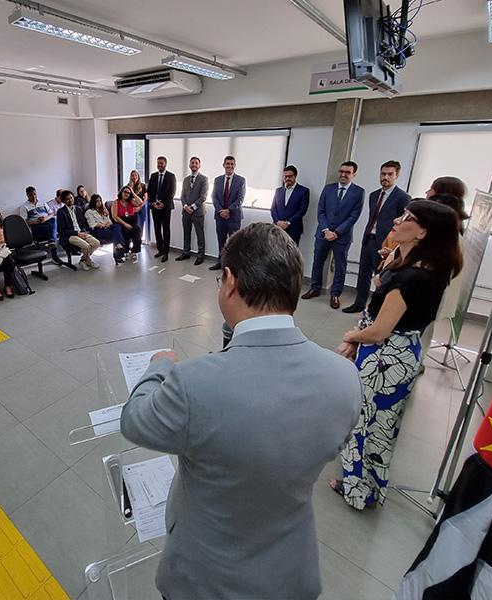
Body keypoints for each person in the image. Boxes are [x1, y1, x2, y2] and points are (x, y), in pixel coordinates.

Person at [121, 222, 361, 600]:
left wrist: (160, 366)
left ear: (229, 281)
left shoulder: (193, 383)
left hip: (206, 579)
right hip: (290, 575)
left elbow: (135, 421)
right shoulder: (345, 378)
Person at [330, 200, 462, 511]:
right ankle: (369, 488)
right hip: (393, 353)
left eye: (408, 218)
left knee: (368, 424)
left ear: (423, 232)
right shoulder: (408, 262)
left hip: (387, 358)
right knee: (378, 424)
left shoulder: (414, 277)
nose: (397, 220)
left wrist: (351, 337)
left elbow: (380, 330)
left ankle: (357, 491)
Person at [343, 160, 411, 314]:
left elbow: (402, 224)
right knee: (363, 273)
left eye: (389, 174)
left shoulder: (403, 197)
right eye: (383, 173)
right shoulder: (374, 195)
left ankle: (378, 309)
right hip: (369, 239)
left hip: (386, 244)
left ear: (397, 175)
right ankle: (359, 304)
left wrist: (393, 246)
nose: (385, 177)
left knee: (382, 277)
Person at [301, 161, 365, 309]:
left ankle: (335, 294)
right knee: (317, 261)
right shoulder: (328, 188)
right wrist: (326, 230)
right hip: (323, 234)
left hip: (342, 237)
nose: (343, 174)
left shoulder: (358, 192)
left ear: (354, 174)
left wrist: (336, 232)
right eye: (341, 171)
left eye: (347, 172)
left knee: (340, 266)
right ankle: (315, 288)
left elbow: (354, 216)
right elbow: (321, 210)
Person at [209, 156, 246, 271]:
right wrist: (221, 210)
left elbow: (240, 199)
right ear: (223, 165)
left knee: (234, 244)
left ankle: (232, 267)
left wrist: (228, 210)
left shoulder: (241, 180)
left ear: (234, 166)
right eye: (227, 164)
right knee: (221, 241)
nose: (229, 166)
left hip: (234, 217)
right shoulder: (217, 179)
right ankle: (220, 263)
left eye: (232, 164)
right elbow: (214, 197)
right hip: (220, 217)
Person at [56, 190, 100, 270]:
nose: (70, 200)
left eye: (71, 198)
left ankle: (83, 260)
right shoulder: (61, 212)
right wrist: (77, 233)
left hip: (81, 233)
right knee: (86, 246)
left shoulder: (78, 209)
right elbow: (61, 230)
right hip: (69, 235)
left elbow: (83, 224)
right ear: (64, 201)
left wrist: (83, 232)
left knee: (96, 243)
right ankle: (88, 260)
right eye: (67, 199)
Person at [176, 156, 209, 265]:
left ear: (199, 165)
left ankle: (200, 255)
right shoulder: (185, 179)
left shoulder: (204, 179)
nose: (194, 165)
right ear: (189, 165)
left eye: (196, 163)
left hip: (198, 212)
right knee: (186, 233)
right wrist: (185, 206)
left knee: (200, 234)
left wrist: (193, 207)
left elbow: (203, 197)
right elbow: (182, 196)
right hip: (186, 212)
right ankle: (186, 252)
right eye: (192, 163)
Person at [270, 164, 310, 247]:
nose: (287, 178)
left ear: (295, 176)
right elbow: (273, 209)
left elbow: (302, 210)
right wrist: (278, 222)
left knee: (291, 255)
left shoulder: (303, 191)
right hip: (277, 228)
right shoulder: (278, 191)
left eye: (290, 176)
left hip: (293, 229)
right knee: (275, 253)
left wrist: (288, 223)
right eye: (285, 177)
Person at [21, 186, 62, 264]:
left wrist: (45, 218)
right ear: (27, 195)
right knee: (52, 231)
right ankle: (55, 255)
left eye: (34, 194)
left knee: (53, 220)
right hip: (37, 228)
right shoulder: (24, 207)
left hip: (47, 223)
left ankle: (52, 242)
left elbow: (51, 214)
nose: (33, 196)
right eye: (31, 195)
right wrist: (36, 222)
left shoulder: (42, 203)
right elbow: (24, 222)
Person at [147, 156, 177, 262]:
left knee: (166, 230)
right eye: (158, 163)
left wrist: (163, 204)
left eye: (162, 163)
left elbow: (172, 192)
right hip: (155, 208)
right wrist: (153, 203)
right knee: (157, 229)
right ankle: (160, 250)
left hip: (166, 208)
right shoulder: (153, 176)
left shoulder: (171, 176)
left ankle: (166, 252)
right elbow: (149, 191)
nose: (160, 165)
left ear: (165, 164)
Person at [85, 194, 125, 264]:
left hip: (107, 227)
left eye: (100, 201)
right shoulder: (89, 212)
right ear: (93, 202)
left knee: (117, 226)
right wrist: (102, 225)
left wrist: (108, 223)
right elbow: (91, 224)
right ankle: (118, 253)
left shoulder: (103, 210)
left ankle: (118, 246)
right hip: (97, 230)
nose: (99, 202)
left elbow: (109, 221)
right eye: (97, 201)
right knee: (115, 235)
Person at [111, 186, 143, 262]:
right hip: (121, 221)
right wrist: (125, 224)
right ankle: (125, 251)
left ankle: (134, 251)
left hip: (131, 220)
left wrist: (133, 193)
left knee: (137, 230)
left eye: (128, 193)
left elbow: (140, 203)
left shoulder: (131, 201)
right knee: (125, 232)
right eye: (125, 192)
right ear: (121, 192)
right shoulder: (116, 202)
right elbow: (115, 216)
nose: (126, 194)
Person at [128, 170, 148, 235]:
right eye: (132, 175)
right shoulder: (128, 186)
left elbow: (146, 197)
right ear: (130, 177)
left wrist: (140, 207)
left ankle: (139, 241)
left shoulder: (143, 185)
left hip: (141, 208)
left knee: (140, 226)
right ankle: (134, 241)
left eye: (135, 175)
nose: (134, 177)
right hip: (132, 209)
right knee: (133, 226)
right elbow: (128, 198)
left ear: (138, 176)